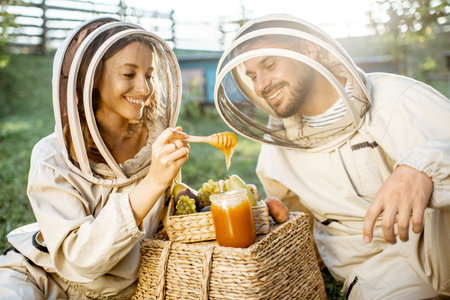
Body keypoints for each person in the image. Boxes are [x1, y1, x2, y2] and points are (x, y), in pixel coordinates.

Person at [214, 14, 450, 299]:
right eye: (252, 76)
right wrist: (277, 224)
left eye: (270, 64)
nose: (261, 84)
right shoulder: (276, 150)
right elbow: (298, 230)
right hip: (378, 276)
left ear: (309, 50)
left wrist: (421, 166)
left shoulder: (398, 97)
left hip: (439, 242)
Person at [0, 17, 190, 299]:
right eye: (129, 74)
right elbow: (79, 260)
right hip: (42, 277)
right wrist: (151, 184)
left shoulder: (155, 145)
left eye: (149, 75)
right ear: (92, 79)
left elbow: (174, 215)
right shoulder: (51, 157)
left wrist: (246, 209)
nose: (144, 88)